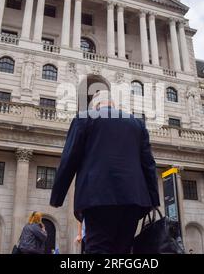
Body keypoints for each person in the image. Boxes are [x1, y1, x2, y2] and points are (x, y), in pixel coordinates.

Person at [50, 90, 160, 254]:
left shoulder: (84, 118)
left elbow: (69, 159)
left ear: (94, 105)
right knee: (123, 250)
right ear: (113, 104)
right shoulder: (137, 124)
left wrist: (57, 197)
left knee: (98, 248)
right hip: (133, 200)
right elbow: (149, 164)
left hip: (97, 197)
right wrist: (154, 200)